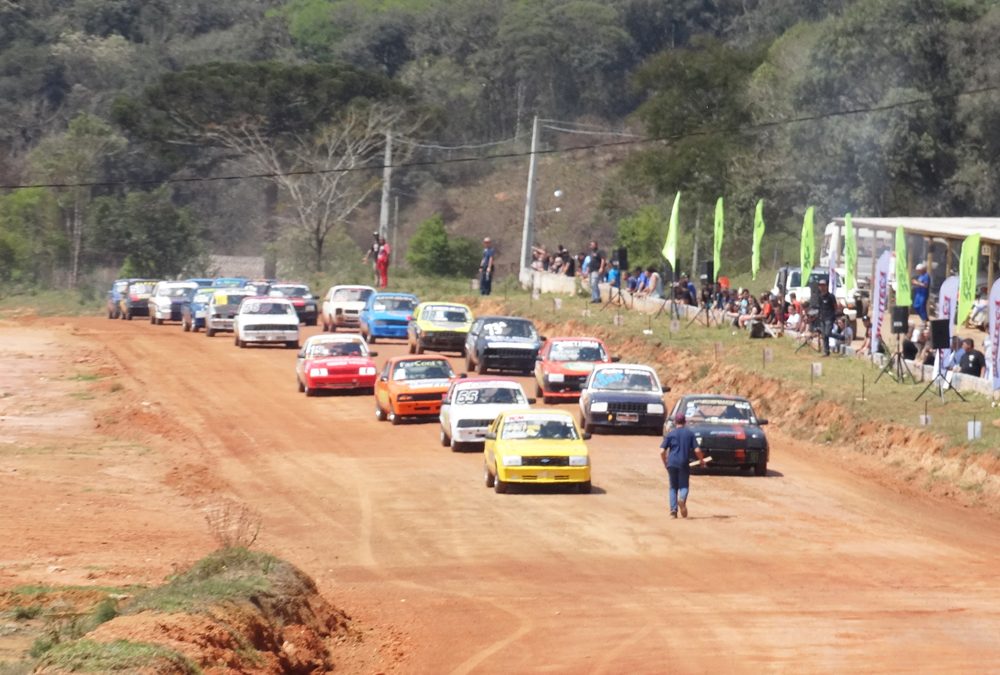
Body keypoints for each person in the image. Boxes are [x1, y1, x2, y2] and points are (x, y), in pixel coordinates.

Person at [659, 413, 706, 519]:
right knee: (684, 486)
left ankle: (673, 511)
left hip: (671, 463)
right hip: (683, 463)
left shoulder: (670, 434)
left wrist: (665, 463)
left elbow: (662, 451)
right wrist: (702, 461)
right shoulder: (689, 434)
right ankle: (682, 499)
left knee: (673, 487)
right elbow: (697, 450)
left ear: (675, 422)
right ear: (685, 422)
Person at [814, 279, 839, 357]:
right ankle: (826, 351)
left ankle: (841, 337)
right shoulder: (820, 297)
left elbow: (835, 307)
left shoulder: (831, 296)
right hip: (822, 318)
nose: (822, 287)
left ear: (826, 286)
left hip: (829, 317)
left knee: (828, 333)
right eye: (820, 286)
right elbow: (820, 307)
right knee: (824, 335)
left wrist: (835, 316)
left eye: (823, 285)